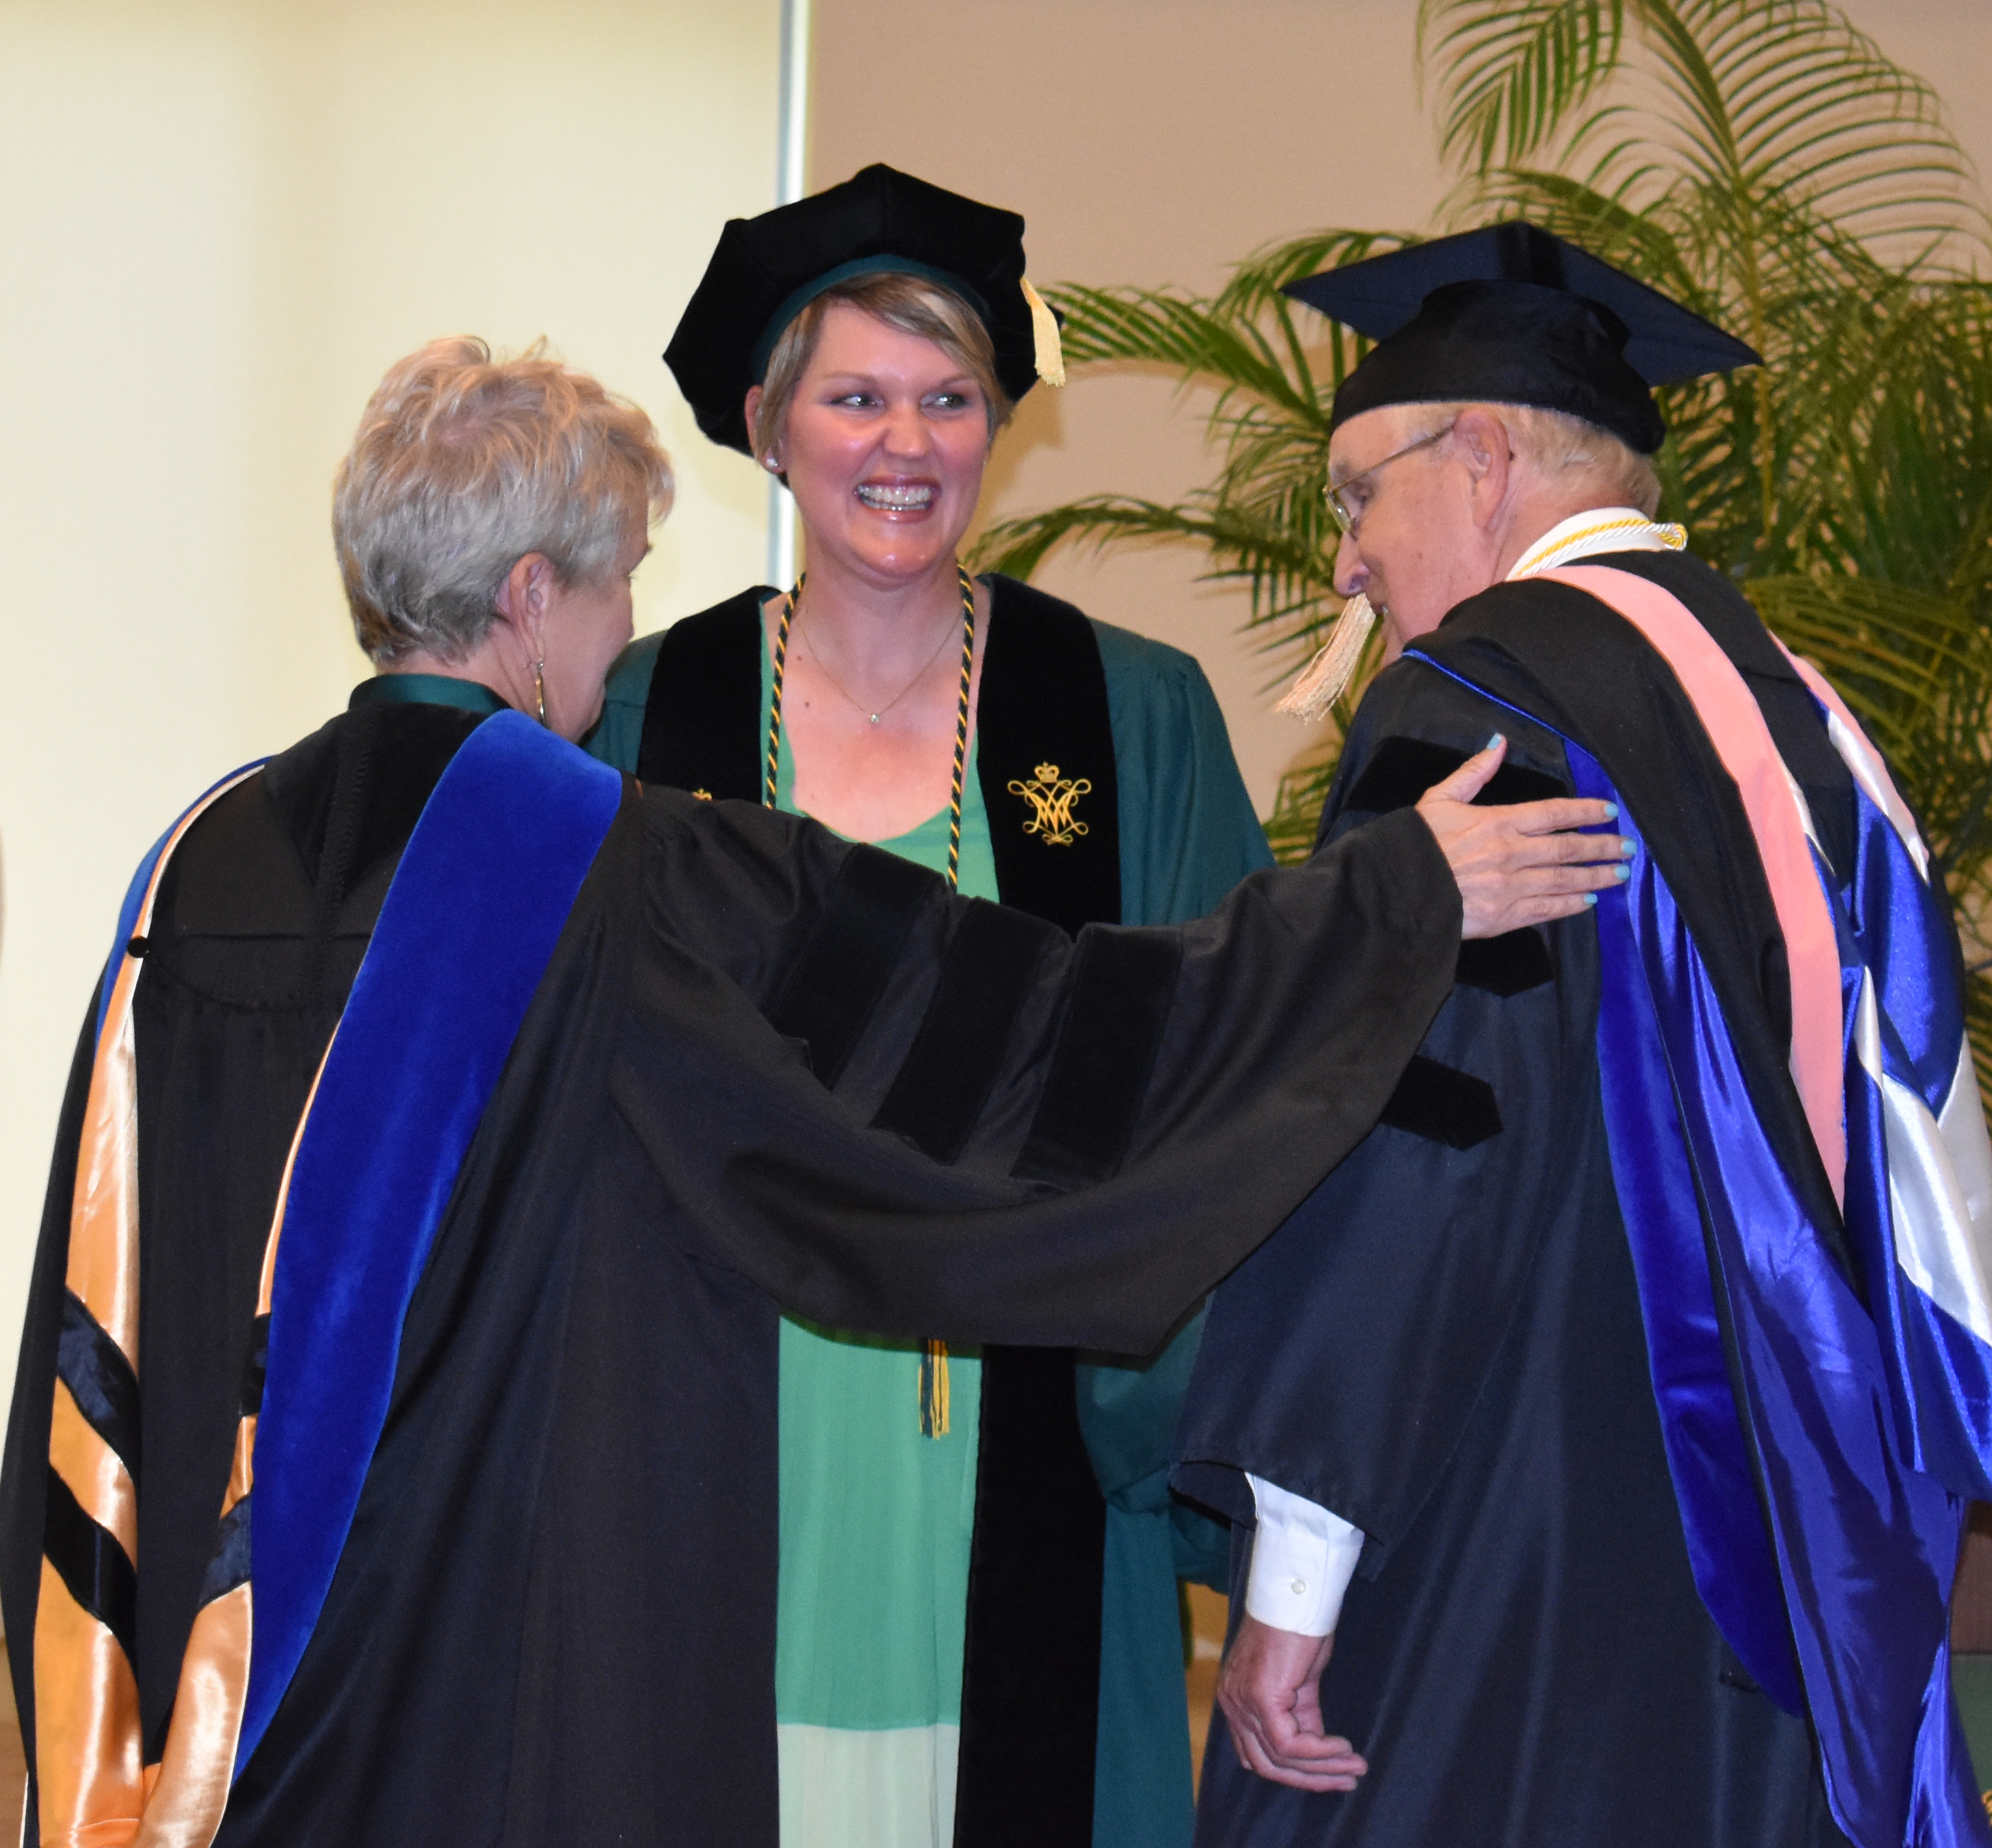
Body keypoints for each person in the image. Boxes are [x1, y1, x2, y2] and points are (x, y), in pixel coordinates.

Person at [0, 334, 1625, 1848]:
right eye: (619, 583)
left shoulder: (195, 867)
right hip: (532, 1646)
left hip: (248, 1668)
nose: (625, 633)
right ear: (525, 599)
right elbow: (1042, 1033)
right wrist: (1391, 901)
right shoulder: (618, 873)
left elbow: (108, 1326)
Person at [1177, 222, 1992, 1848]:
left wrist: (1296, 1566)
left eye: (1354, 495)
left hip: (1508, 1516)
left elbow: (1414, 1142)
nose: (1343, 561)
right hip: (1771, 1521)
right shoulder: (1799, 710)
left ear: (1478, 459)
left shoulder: (1474, 706)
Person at [590, 163, 1273, 1848]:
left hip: (1030, 1413)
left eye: (951, 399)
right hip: (723, 1411)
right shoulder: (638, 714)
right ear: (768, 424)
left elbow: (1232, 1089)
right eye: (858, 398)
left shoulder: (1128, 715)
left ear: (998, 425)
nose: (906, 445)